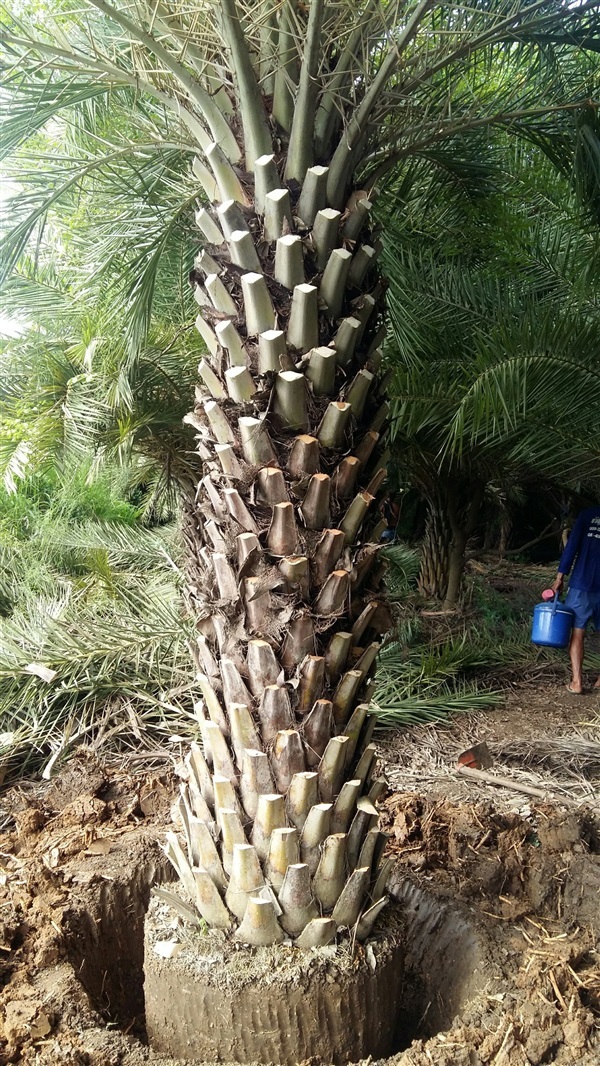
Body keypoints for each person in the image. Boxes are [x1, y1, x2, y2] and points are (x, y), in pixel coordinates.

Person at [551, 504, 600, 693]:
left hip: (582, 583)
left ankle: (577, 682)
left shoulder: (587, 515)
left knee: (578, 632)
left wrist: (559, 578)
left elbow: (571, 548)